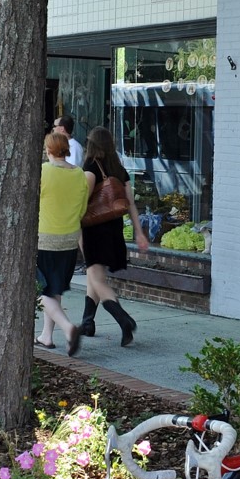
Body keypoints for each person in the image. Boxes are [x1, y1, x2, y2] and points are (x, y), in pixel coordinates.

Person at [78, 127, 149, 346]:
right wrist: (139, 233)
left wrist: (73, 229)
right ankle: (87, 322)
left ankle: (123, 319)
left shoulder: (90, 169)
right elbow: (131, 205)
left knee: (98, 280)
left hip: (94, 231)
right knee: (95, 275)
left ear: (91, 145)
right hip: (114, 230)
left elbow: (81, 205)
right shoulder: (119, 169)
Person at [37, 130, 88, 356]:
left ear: (48, 150)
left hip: (44, 238)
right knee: (54, 290)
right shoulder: (79, 174)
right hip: (69, 240)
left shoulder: (43, 172)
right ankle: (46, 336)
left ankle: (68, 329)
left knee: (37, 288)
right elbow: (82, 208)